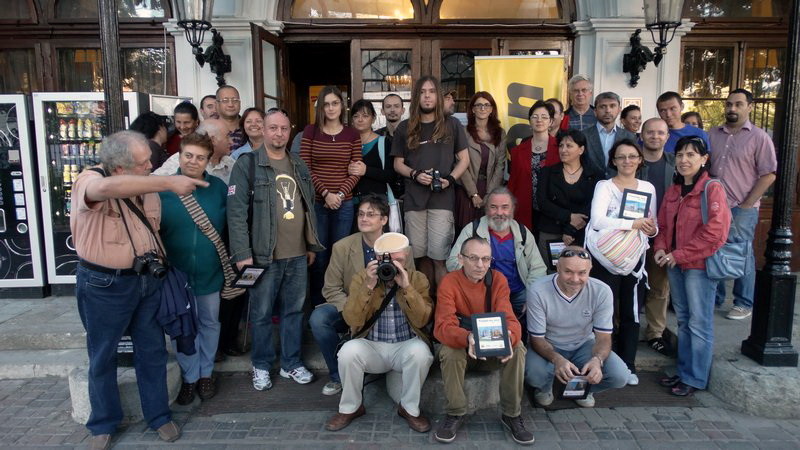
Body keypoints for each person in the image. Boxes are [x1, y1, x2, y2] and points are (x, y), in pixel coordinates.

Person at [72, 130, 208, 449]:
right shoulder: (90, 180)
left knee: (153, 351)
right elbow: (105, 189)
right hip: (104, 285)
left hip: (147, 281)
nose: (151, 166)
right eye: (144, 162)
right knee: (102, 355)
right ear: (120, 167)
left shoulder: (147, 184)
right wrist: (169, 182)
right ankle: (103, 424)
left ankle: (159, 416)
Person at [227, 108, 324, 391]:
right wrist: (242, 253)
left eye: (283, 128)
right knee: (261, 314)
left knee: (294, 312)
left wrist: (310, 243)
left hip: (297, 254)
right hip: (262, 255)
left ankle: (291, 363)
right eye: (273, 128)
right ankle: (261, 365)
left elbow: (308, 206)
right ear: (262, 130)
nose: (279, 133)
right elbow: (236, 212)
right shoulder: (247, 164)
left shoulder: (298, 164)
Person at [325, 232, 434, 433]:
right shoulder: (362, 278)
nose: (393, 266)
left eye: (399, 260)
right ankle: (351, 408)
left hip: (405, 345)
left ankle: (409, 409)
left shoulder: (417, 279)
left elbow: (423, 320)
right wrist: (368, 286)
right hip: (372, 346)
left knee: (421, 353)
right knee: (348, 352)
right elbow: (352, 320)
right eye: (388, 260)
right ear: (377, 258)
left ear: (407, 256)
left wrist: (407, 287)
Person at [434, 237, 533, 445]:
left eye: (486, 259)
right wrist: (468, 337)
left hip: (492, 349)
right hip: (465, 350)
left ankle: (512, 414)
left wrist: (508, 339)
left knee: (518, 347)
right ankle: (456, 412)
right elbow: (443, 326)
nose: (480, 265)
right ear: (461, 259)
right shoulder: (449, 282)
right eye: (473, 258)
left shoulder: (498, 280)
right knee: (449, 351)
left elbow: (510, 320)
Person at [654, 136, 731, 396]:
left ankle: (695, 378)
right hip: (675, 264)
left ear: (704, 159)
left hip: (699, 266)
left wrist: (680, 254)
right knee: (684, 320)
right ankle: (684, 371)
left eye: (691, 155)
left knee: (699, 323)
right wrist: (661, 248)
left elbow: (715, 233)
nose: (684, 160)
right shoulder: (674, 190)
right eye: (680, 155)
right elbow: (662, 224)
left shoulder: (712, 188)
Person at [158, 133, 228, 406]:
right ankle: (189, 377)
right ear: (179, 156)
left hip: (210, 271)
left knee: (210, 323)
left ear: (208, 161)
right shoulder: (162, 189)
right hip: (176, 275)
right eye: (188, 155)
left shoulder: (218, 188)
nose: (193, 161)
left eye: (200, 157)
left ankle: (206, 374)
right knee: (184, 327)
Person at [585, 140, 657, 386]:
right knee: (602, 310)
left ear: (640, 160)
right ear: (613, 161)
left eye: (632, 156)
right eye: (621, 157)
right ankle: (598, 362)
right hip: (604, 257)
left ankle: (628, 365)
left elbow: (651, 222)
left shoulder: (647, 188)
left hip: (633, 258)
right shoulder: (604, 186)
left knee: (630, 311)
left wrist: (652, 229)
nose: (627, 161)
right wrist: (632, 223)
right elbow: (597, 220)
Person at [525, 246, 630, 408]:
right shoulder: (538, 290)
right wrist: (557, 359)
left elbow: (603, 337)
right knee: (533, 374)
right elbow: (537, 339)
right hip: (549, 344)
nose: (575, 279)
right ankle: (545, 387)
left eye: (582, 273)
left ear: (590, 270)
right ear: (557, 268)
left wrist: (597, 360)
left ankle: (584, 388)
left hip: (584, 344)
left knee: (620, 376)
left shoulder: (602, 291)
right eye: (568, 271)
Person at [391, 76, 469, 292]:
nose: (427, 96)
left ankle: (443, 307)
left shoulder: (452, 124)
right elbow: (398, 164)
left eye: (432, 92)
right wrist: (415, 174)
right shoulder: (405, 127)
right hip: (414, 201)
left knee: (439, 258)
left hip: (442, 200)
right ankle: (425, 306)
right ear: (417, 97)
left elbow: (464, 159)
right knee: (420, 258)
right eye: (423, 92)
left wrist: (450, 180)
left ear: (438, 96)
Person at [310, 194, 390, 396]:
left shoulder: (398, 246)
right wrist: (355, 309)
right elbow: (331, 288)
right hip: (350, 307)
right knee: (319, 318)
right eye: (361, 214)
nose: (364, 218)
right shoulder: (342, 247)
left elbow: (409, 286)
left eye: (370, 214)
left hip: (386, 311)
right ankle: (339, 376)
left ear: (384, 220)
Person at [709, 88, 777, 320]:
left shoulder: (759, 137)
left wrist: (747, 204)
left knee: (742, 252)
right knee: (713, 249)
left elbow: (768, 174)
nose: (732, 108)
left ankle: (743, 302)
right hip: (714, 206)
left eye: (738, 104)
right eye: (729, 104)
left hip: (741, 206)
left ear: (749, 107)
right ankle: (716, 297)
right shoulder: (713, 134)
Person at [447, 187, 547, 337]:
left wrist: (531, 297)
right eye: (493, 207)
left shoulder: (523, 232)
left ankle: (528, 345)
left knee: (536, 312)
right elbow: (453, 262)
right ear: (486, 209)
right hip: (483, 292)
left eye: (505, 207)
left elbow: (538, 268)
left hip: (517, 293)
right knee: (486, 334)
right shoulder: (473, 230)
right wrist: (475, 269)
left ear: (513, 209)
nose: (499, 212)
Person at [300, 86, 362, 306]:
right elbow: (305, 168)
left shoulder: (352, 134)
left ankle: (338, 305)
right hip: (318, 203)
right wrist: (326, 193)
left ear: (342, 106)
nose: (331, 108)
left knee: (340, 257)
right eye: (326, 104)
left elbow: (356, 170)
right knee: (319, 257)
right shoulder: (311, 131)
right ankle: (318, 304)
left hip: (344, 204)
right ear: (320, 107)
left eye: (335, 103)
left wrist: (340, 194)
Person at [536, 129, 603, 263]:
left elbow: (593, 206)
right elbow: (542, 202)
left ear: (581, 149)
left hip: (580, 234)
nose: (563, 150)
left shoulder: (595, 175)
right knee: (552, 272)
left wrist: (570, 229)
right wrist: (569, 217)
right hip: (551, 232)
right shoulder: (547, 172)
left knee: (578, 271)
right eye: (561, 145)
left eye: (569, 146)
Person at [638, 118, 676, 355]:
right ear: (641, 135)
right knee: (628, 286)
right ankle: (620, 329)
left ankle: (655, 333)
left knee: (659, 287)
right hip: (631, 234)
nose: (655, 136)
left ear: (667, 137)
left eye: (660, 133)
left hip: (663, 235)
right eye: (650, 132)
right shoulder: (631, 160)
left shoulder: (675, 164)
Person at [454, 91, 506, 230]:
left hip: (490, 188)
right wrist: (474, 194)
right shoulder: (463, 132)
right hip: (467, 190)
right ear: (473, 109)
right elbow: (460, 163)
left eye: (487, 105)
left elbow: (500, 165)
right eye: (479, 105)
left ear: (491, 109)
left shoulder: (500, 133)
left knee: (488, 231)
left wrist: (490, 195)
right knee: (467, 230)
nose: (483, 108)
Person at [507, 100, 560, 232]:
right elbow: (513, 182)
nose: (539, 120)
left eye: (544, 117)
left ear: (551, 121)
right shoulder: (518, 151)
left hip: (553, 210)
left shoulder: (560, 148)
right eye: (535, 116)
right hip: (524, 207)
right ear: (529, 121)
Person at [153, 119, 236, 183]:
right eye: (227, 136)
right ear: (213, 140)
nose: (231, 141)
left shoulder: (230, 163)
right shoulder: (183, 160)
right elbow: (152, 182)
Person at [348, 99, 396, 203]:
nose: (360, 120)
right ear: (352, 120)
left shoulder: (384, 142)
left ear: (373, 119)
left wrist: (366, 170)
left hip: (376, 202)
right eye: (356, 116)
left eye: (365, 116)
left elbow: (391, 175)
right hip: (350, 202)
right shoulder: (347, 143)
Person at [581, 92, 636, 175]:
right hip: (590, 182)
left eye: (612, 106)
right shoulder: (584, 135)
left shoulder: (629, 137)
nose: (608, 110)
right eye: (602, 107)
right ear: (595, 111)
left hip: (620, 181)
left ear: (619, 110)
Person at [216, 85, 247, 152]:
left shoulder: (249, 128)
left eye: (235, 100)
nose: (230, 105)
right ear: (217, 104)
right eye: (225, 100)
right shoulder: (209, 130)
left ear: (240, 103)